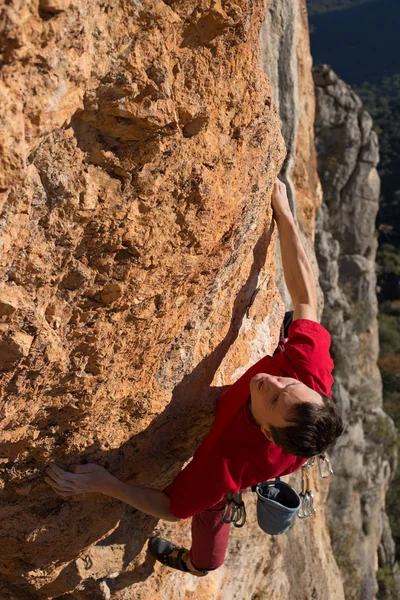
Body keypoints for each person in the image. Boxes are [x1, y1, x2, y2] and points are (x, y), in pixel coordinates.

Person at [44, 178, 344, 577]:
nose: (271, 382)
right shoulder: (310, 370)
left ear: (268, 433)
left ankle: (197, 565)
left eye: (273, 400)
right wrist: (284, 213)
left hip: (260, 458)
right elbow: (305, 297)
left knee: (212, 526)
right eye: (288, 385)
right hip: (295, 432)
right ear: (315, 390)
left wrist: (105, 483)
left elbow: (172, 507)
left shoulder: (231, 458)